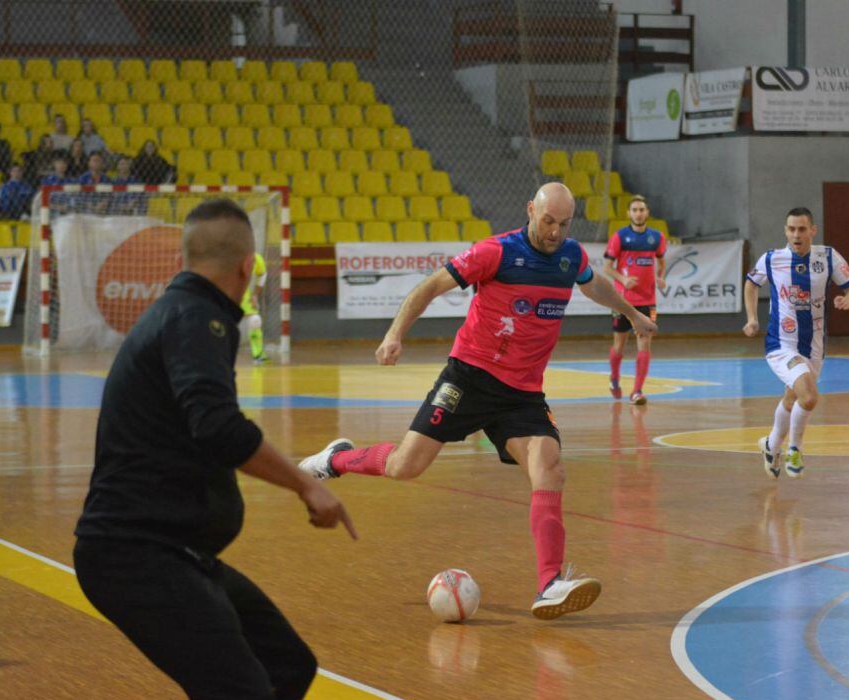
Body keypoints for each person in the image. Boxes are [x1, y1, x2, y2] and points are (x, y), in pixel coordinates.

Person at [300, 182, 657, 620]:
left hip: (523, 393)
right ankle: (337, 459)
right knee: (405, 466)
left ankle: (549, 584)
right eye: (548, 221)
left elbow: (593, 284)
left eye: (564, 224)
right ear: (531, 209)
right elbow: (429, 288)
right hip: (469, 378)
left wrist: (633, 314)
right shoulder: (496, 252)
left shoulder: (570, 256)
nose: (555, 232)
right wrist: (394, 335)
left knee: (550, 467)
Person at [73, 198, 357, 700]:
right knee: (242, 699)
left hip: (177, 552)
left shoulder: (188, 312)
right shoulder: (197, 317)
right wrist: (306, 484)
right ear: (248, 267)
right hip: (134, 555)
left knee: (287, 667)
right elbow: (218, 427)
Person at [743, 207, 849, 479]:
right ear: (785, 231)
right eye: (791, 229)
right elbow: (751, 284)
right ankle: (795, 447)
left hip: (814, 345)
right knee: (808, 396)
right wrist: (752, 319)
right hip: (781, 344)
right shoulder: (772, 259)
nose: (797, 235)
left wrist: (848, 300)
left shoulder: (827, 257)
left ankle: (771, 446)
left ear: (813, 231)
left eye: (802, 229)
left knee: (792, 396)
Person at [604, 194, 667, 405]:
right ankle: (614, 378)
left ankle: (637, 391)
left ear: (647, 213)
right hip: (622, 301)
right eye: (635, 210)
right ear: (629, 213)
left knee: (645, 342)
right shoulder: (619, 237)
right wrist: (622, 278)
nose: (638, 213)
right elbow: (606, 268)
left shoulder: (657, 238)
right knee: (619, 345)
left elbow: (661, 261)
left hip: (648, 301)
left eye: (642, 209)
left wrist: (660, 276)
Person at [242, 251, 269, 364]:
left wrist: (255, 295)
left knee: (255, 321)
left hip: (244, 296)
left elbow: (262, 274)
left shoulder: (255, 258)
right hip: (224, 295)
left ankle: (258, 355)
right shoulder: (226, 256)